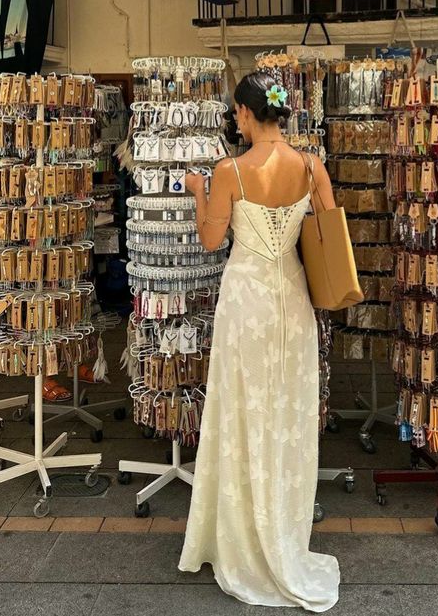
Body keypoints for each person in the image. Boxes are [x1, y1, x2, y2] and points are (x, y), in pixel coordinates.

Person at [178, 71, 340, 612]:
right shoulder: (311, 164)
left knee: (243, 410)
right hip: (292, 298)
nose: (236, 119)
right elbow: (328, 229)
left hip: (245, 300)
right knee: (286, 412)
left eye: (237, 112)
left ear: (247, 114)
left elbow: (210, 239)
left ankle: (244, 533)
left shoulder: (229, 171)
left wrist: (200, 193)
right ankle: (284, 531)